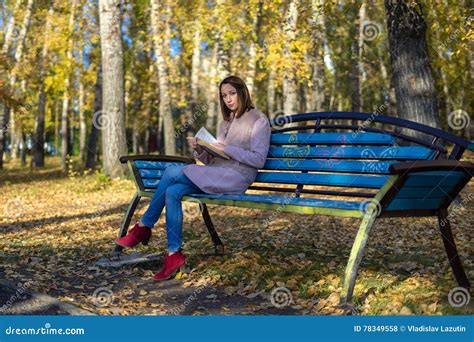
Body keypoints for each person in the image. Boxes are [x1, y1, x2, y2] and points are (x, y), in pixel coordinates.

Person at [116, 75, 271, 280]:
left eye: (232, 93)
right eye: (224, 96)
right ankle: (174, 254)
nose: (228, 99)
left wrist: (227, 148)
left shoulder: (259, 120)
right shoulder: (226, 122)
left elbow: (259, 160)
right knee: (173, 191)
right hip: (218, 173)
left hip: (237, 177)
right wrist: (201, 149)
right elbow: (215, 160)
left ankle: (143, 227)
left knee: (172, 171)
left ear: (243, 92)